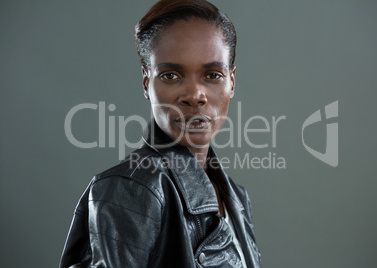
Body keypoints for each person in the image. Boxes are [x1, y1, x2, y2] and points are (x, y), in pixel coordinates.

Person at [60, 0, 261, 267]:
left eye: (212, 75)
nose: (194, 96)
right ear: (147, 82)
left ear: (231, 82)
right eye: (171, 75)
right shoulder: (130, 190)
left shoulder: (235, 197)